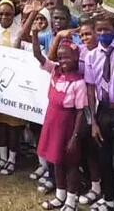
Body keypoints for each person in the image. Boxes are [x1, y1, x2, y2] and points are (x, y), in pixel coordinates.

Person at [33, 27, 87, 211]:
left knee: (70, 164)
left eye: (68, 58)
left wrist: (75, 137)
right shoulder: (55, 71)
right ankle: (60, 195)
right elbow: (39, 57)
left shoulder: (78, 82)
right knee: (55, 160)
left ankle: (71, 201)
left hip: (67, 127)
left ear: (76, 59)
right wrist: (34, 35)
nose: (63, 61)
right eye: (61, 57)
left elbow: (80, 111)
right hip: (52, 122)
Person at [83, 12, 114, 211]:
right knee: (104, 158)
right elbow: (90, 89)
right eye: (100, 30)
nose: (104, 33)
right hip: (102, 112)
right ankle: (109, 198)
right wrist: (93, 122)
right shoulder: (91, 56)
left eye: (107, 29)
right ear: (94, 32)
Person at [0, 0, 26, 176]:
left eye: (8, 14)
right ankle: (2, 157)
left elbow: (26, 57)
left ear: (13, 14)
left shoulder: (20, 32)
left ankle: (12, 159)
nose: (4, 17)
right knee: (0, 124)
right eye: (1, 14)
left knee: (14, 127)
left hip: (15, 87)